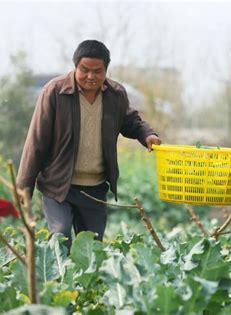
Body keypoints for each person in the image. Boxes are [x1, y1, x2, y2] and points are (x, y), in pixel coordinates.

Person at [17, 40, 161, 248]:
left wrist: (148, 135)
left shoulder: (115, 94)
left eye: (97, 71)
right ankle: (57, 280)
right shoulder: (55, 92)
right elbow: (36, 141)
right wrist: (24, 188)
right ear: (75, 66)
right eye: (84, 70)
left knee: (92, 247)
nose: (90, 76)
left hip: (94, 188)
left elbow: (131, 121)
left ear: (105, 71)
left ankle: (83, 282)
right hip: (59, 186)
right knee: (60, 235)